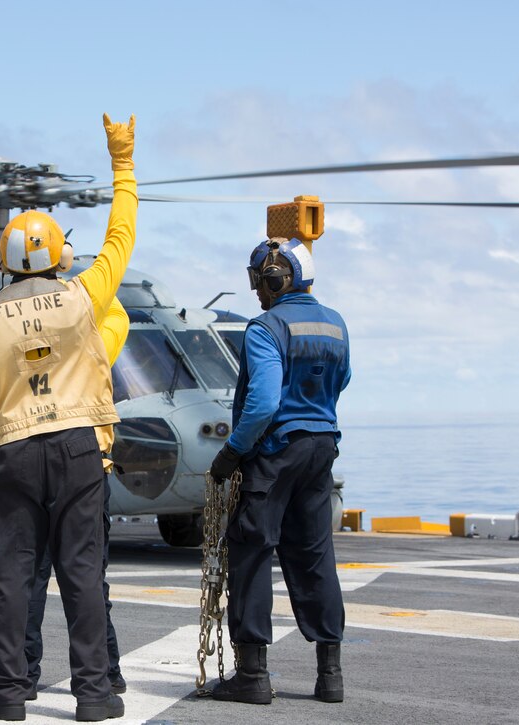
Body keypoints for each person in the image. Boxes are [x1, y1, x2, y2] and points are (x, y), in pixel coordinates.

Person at [0, 113, 137, 723]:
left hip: (12, 455)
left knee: (11, 578)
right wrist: (123, 163)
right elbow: (120, 237)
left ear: (3, 261)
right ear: (60, 255)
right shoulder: (84, 296)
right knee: (82, 573)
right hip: (79, 450)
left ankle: (9, 694)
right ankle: (93, 694)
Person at [205, 237, 351, 705]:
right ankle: (330, 676)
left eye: (259, 281)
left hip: (275, 452)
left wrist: (232, 452)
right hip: (321, 447)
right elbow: (343, 380)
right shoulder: (336, 324)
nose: (256, 291)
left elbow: (264, 402)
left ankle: (252, 676)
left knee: (250, 551)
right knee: (315, 555)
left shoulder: (266, 327)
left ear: (276, 279)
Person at [24, 297, 129, 699]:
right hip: (87, 468)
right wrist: (77, 284)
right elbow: (118, 315)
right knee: (88, 579)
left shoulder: (16, 341)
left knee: (28, 580)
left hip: (28, 463)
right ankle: (105, 674)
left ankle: (23, 676)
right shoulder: (91, 343)